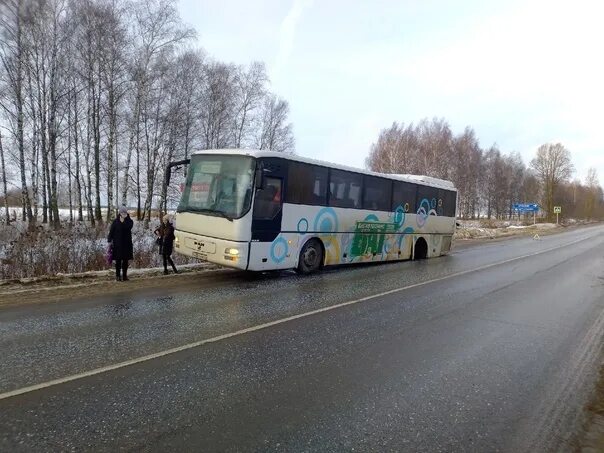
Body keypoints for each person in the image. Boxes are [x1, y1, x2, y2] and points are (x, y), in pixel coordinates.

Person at [108, 206, 134, 281]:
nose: (123, 214)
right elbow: (111, 231)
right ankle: (118, 276)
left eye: (124, 212)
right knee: (118, 261)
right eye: (122, 212)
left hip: (126, 244)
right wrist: (109, 240)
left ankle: (125, 276)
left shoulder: (129, 221)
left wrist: (123, 222)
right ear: (119, 213)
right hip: (117, 244)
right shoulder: (115, 221)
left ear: (126, 213)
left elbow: (128, 227)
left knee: (125, 261)